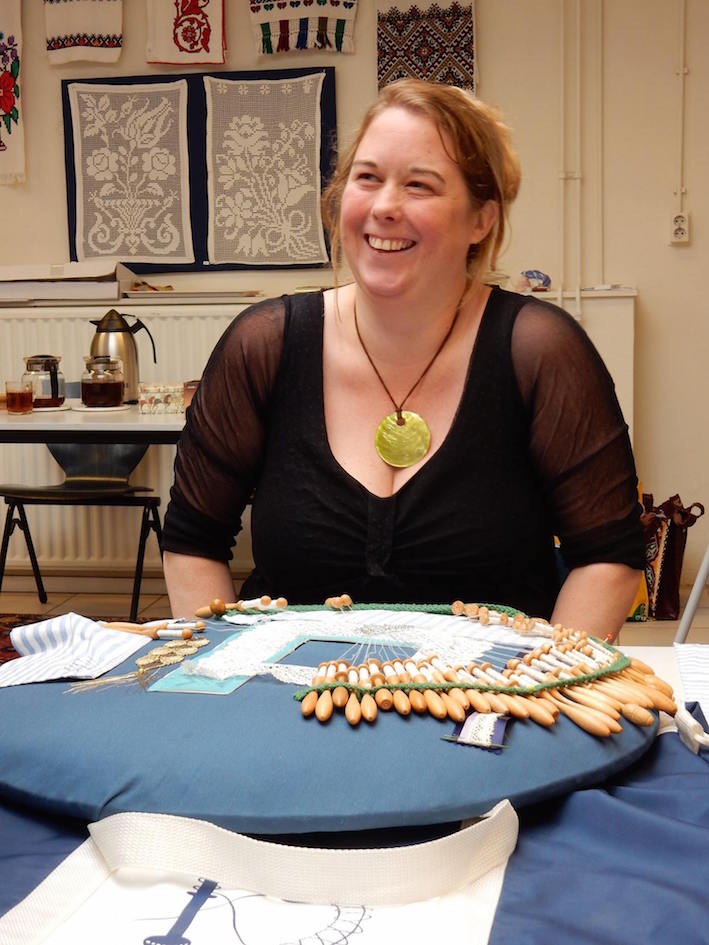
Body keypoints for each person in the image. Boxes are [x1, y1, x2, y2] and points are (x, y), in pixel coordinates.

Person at [162, 79, 644, 637]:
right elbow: (193, 541)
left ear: (481, 219)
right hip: (290, 701)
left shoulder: (539, 351)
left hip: (485, 707)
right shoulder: (263, 344)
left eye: (420, 185)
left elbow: (607, 556)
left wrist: (545, 692)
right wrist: (223, 681)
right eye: (367, 178)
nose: (385, 206)